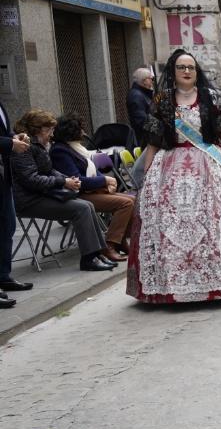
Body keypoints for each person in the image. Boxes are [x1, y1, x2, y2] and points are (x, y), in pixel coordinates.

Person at [128, 49, 221, 303]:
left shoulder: (211, 98)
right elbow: (152, 142)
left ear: (197, 72)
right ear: (173, 71)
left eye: (191, 67)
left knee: (216, 221)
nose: (186, 71)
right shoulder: (162, 101)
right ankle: (172, 284)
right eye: (181, 67)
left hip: (211, 168)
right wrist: (148, 179)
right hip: (169, 167)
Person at [10, 110, 115, 272]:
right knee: (81, 209)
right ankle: (88, 259)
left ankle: (98, 253)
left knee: (87, 205)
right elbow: (32, 180)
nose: (52, 135)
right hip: (28, 200)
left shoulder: (38, 145)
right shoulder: (25, 147)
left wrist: (67, 180)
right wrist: (62, 181)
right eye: (50, 131)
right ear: (41, 130)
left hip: (42, 194)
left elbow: (49, 170)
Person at [49, 113, 134, 261]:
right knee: (125, 203)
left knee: (134, 199)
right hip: (77, 195)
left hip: (91, 190)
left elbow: (91, 168)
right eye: (80, 128)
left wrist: (108, 182)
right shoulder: (60, 151)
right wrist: (104, 181)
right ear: (71, 131)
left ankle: (120, 241)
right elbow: (77, 180)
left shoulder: (75, 148)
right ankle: (110, 244)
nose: (84, 132)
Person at [0, 99, 33, 307]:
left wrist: (14, 137)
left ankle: (3, 276)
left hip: (3, 176)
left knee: (7, 226)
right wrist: (10, 144)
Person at [126, 67, 155, 147]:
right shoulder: (136, 96)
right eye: (151, 79)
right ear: (144, 81)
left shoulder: (142, 94)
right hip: (144, 141)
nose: (152, 81)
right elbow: (141, 121)